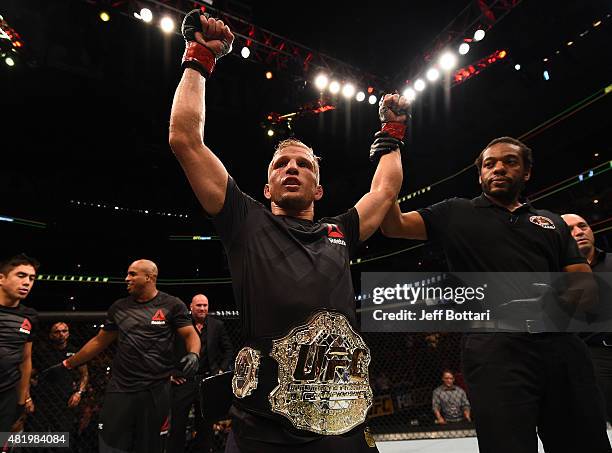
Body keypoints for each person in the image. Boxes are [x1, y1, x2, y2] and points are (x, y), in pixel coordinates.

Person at [168, 10, 404, 452]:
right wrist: (199, 56)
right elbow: (185, 139)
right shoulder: (245, 219)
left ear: (319, 186)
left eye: (303, 164)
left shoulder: (340, 231)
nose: (291, 168)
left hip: (341, 420)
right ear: (266, 185)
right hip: (263, 424)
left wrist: (392, 133)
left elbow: (385, 188)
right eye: (281, 164)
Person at [381, 137, 611, 453]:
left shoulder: (551, 223)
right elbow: (393, 225)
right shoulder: (455, 212)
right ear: (480, 175)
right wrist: (389, 152)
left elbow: (585, 289)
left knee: (585, 443)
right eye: (490, 164)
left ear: (527, 172)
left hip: (561, 345)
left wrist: (548, 303)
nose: (499, 168)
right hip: (494, 349)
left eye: (510, 161)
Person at [48, 259, 201, 453]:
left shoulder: (172, 304)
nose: (126, 278)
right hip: (121, 387)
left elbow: (190, 334)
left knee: (150, 445)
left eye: (132, 274)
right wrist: (67, 364)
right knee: (111, 443)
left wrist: (194, 354)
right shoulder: (119, 307)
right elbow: (99, 342)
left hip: (156, 388)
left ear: (149, 277)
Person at [167, 294, 233, 453]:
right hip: (184, 380)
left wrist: (221, 369)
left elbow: (228, 349)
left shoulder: (217, 325)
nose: (202, 308)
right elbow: (165, 349)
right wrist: (170, 372)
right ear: (191, 307)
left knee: (206, 427)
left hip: (207, 381)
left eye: (205, 305)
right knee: (178, 425)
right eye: (199, 305)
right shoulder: (181, 325)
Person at [562, 213, 612, 422]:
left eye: (583, 226)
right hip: (590, 355)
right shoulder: (554, 274)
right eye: (570, 229)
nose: (579, 232)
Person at [0, 254, 39, 433]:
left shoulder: (29, 316)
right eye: (21, 275)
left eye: (31, 278)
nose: (27, 282)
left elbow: (26, 359)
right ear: (1, 278)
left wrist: (21, 401)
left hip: (7, 394)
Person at [29, 322, 89, 437]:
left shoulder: (75, 352)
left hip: (65, 401)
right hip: (42, 400)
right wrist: (28, 396)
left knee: (62, 437)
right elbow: (29, 374)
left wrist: (79, 393)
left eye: (64, 331)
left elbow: (84, 374)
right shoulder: (42, 352)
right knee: (37, 437)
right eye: (57, 332)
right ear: (51, 335)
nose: (61, 334)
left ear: (68, 333)